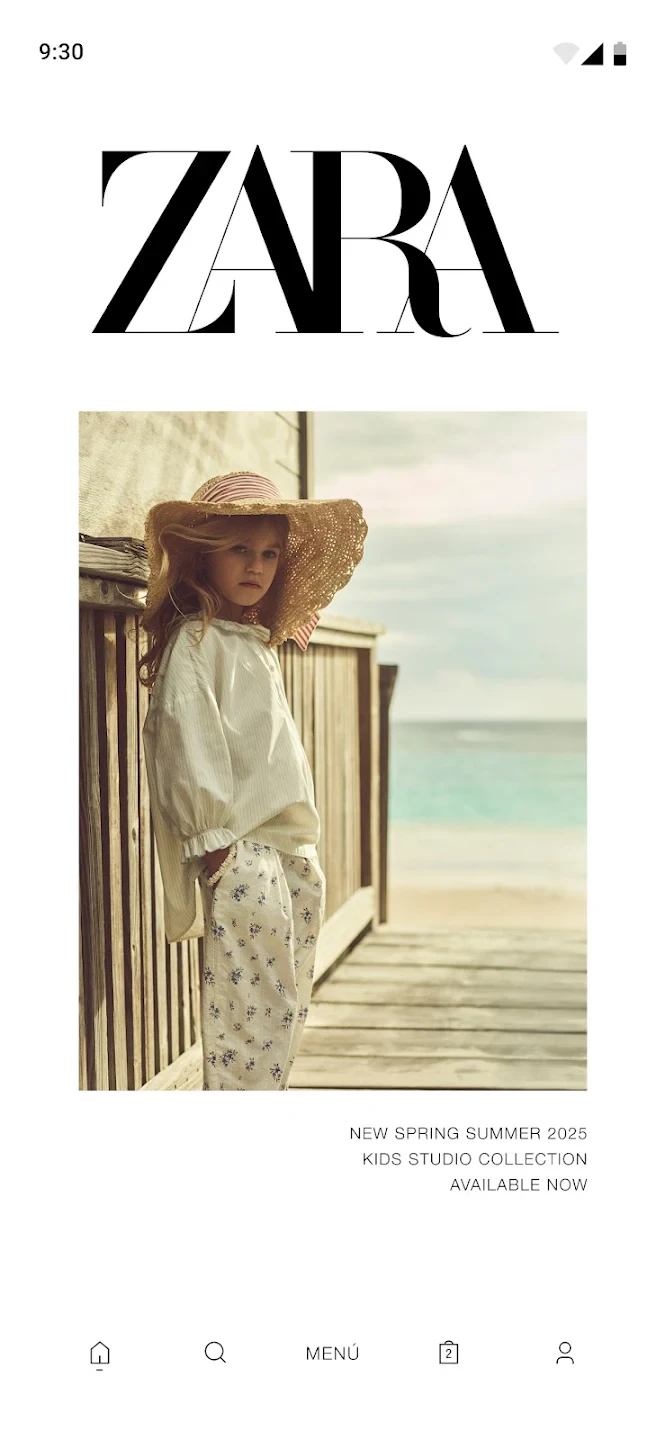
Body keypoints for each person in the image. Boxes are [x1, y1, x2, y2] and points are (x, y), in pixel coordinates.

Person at [139, 470, 367, 1091]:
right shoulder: (198, 642)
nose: (255, 566)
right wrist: (216, 845)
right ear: (204, 554)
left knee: (284, 1007)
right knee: (249, 1018)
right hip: (242, 851)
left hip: (290, 847)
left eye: (269, 553)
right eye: (240, 548)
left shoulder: (253, 642)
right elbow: (187, 742)